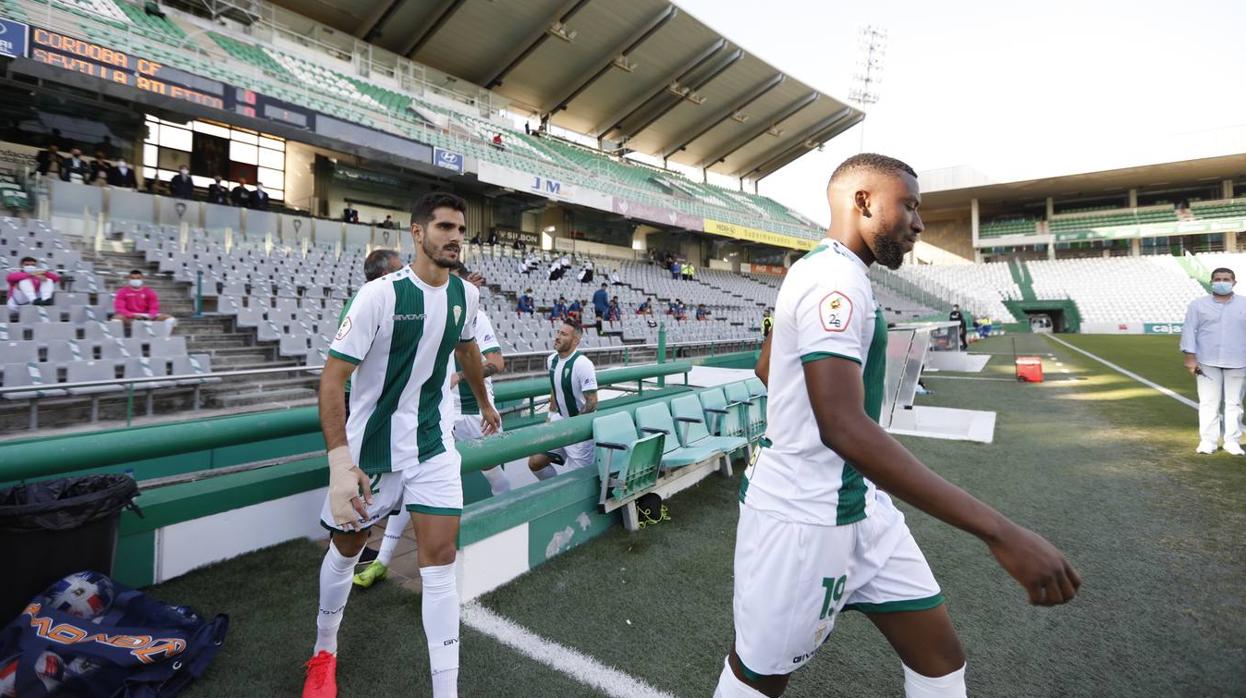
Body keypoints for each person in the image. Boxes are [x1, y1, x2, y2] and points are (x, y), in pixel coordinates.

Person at [715, 153, 1079, 698]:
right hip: (802, 517)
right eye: (908, 205)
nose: (919, 223)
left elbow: (770, 367)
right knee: (759, 677)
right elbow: (842, 427)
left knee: (940, 660)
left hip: (860, 504)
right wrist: (1000, 532)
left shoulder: (827, 270)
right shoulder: (833, 279)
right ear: (863, 201)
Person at [305, 192, 499, 698]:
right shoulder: (380, 297)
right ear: (417, 233)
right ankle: (324, 650)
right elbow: (331, 382)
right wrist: (340, 462)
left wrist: (484, 402)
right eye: (443, 228)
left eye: (460, 229)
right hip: (371, 454)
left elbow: (469, 350)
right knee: (346, 552)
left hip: (433, 448)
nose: (455, 237)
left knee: (441, 561)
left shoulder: (466, 296)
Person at [354, 261, 511, 590]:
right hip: (440, 419)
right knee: (410, 487)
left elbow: (496, 362)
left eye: (450, 281)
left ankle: (506, 536)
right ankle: (382, 561)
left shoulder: (474, 317)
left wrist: (462, 376)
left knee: (497, 479)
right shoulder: (422, 316)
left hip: (477, 418)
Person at [1180, 267, 1246, 456]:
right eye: (1217, 279)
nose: (1222, 282)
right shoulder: (1197, 305)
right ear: (1211, 282)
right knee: (1209, 402)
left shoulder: (1244, 304)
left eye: (1226, 279)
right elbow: (1188, 330)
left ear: (1234, 282)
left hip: (1239, 360)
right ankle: (1207, 441)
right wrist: (1189, 356)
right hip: (1206, 361)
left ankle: (1232, 441)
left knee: (1234, 403)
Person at [527, 321, 597, 481]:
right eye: (558, 332)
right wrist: (550, 417)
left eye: (563, 334)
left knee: (579, 480)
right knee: (536, 462)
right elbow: (555, 389)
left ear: (575, 341)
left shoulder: (583, 364)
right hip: (559, 422)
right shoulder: (551, 360)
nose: (557, 337)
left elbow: (592, 402)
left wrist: (574, 426)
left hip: (579, 427)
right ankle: (553, 489)